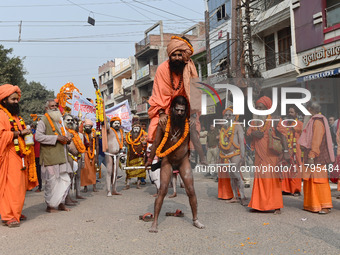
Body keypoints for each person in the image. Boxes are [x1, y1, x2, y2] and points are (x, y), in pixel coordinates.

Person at [145, 96, 206, 233]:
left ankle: (195, 219)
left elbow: (196, 142)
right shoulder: (164, 123)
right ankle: (154, 222)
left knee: (190, 190)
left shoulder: (188, 124)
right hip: (168, 159)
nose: (179, 113)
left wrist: (203, 158)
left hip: (183, 160)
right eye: (177, 110)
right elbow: (155, 143)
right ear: (172, 109)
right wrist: (149, 161)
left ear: (185, 111)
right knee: (163, 189)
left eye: (182, 111)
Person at [147, 35, 200, 143]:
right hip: (165, 108)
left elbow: (195, 94)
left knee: (194, 128)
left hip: (185, 109)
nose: (176, 58)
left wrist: (193, 115)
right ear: (170, 55)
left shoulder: (191, 69)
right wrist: (161, 113)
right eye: (174, 55)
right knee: (156, 126)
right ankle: (152, 158)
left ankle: (199, 158)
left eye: (180, 55)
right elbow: (159, 94)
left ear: (185, 55)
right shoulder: (162, 68)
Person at [246, 96, 290, 214]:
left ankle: (276, 206)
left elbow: (283, 136)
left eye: (261, 108)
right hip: (259, 156)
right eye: (256, 108)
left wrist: (286, 152)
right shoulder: (255, 122)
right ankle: (258, 204)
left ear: (267, 108)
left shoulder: (275, 120)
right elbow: (248, 134)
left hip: (271, 156)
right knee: (259, 179)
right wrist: (254, 133)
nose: (258, 110)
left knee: (272, 180)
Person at [0, 84, 34, 227]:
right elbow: (1, 135)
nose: (16, 102)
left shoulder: (15, 116)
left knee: (19, 186)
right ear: (3, 100)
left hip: (20, 155)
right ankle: (8, 216)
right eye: (13, 99)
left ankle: (16, 212)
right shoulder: (1, 115)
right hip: (7, 155)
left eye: (17, 99)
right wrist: (20, 133)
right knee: (10, 186)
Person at [35, 99, 72, 213]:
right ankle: (50, 206)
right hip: (50, 156)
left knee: (65, 180)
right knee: (52, 182)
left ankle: (61, 203)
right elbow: (38, 137)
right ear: (47, 108)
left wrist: (68, 137)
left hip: (62, 155)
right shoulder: (43, 121)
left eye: (56, 105)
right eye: (52, 106)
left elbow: (64, 134)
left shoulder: (60, 120)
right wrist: (56, 138)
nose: (54, 107)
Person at [298, 101, 334, 214]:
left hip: (316, 156)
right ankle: (312, 205)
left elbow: (316, 141)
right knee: (310, 180)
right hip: (312, 155)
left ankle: (324, 206)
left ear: (309, 109)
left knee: (319, 181)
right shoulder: (313, 120)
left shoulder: (317, 122)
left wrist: (312, 155)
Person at [218, 107, 246, 205]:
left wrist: (243, 156)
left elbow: (241, 142)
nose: (228, 117)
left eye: (230, 115)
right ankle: (235, 196)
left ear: (234, 117)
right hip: (226, 155)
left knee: (236, 175)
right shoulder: (223, 128)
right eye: (226, 115)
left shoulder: (237, 126)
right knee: (231, 176)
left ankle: (242, 196)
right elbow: (221, 143)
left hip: (236, 154)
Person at [281, 106, 303, 196]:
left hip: (296, 150)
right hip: (286, 150)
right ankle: (285, 189)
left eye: (292, 112)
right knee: (285, 168)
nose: (290, 114)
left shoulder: (300, 124)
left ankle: (296, 189)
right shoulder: (284, 123)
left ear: (296, 114)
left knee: (296, 168)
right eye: (289, 112)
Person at [124, 120, 147, 189]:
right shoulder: (128, 135)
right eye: (135, 129)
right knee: (129, 170)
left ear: (140, 129)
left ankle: (138, 184)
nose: (136, 130)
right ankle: (127, 184)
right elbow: (126, 143)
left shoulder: (143, 135)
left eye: (137, 129)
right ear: (132, 129)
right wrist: (125, 142)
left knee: (140, 170)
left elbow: (145, 144)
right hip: (131, 155)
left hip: (140, 155)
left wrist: (144, 143)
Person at [105, 117, 124, 196]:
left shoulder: (121, 132)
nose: (117, 125)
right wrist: (103, 115)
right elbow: (106, 125)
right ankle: (108, 190)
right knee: (109, 171)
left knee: (115, 172)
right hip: (109, 154)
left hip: (117, 154)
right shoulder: (109, 130)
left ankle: (114, 190)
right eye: (115, 123)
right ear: (112, 124)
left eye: (118, 123)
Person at [81, 118, 98, 193]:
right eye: (86, 126)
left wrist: (96, 156)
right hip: (85, 153)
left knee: (93, 170)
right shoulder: (82, 134)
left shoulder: (94, 134)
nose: (87, 128)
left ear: (91, 127)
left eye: (89, 126)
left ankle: (94, 186)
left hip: (92, 154)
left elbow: (97, 145)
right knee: (85, 170)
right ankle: (85, 186)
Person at [32, 122, 42, 193]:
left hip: (38, 156)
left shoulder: (34, 136)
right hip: (40, 155)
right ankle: (39, 186)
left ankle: (39, 186)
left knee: (39, 172)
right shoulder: (36, 136)